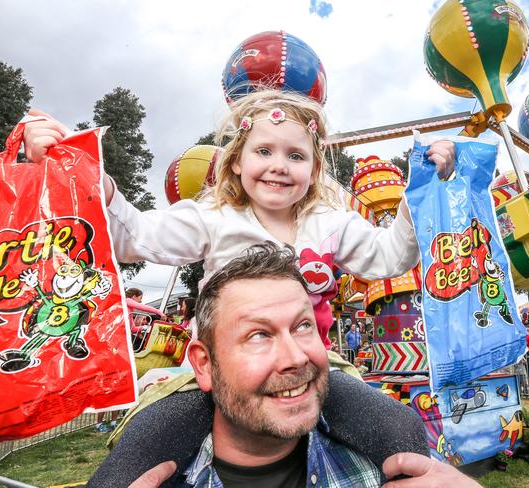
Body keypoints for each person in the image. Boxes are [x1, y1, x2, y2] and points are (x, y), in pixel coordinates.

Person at [25, 90, 454, 481]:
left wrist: (420, 194)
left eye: (295, 156)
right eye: (263, 151)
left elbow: (390, 258)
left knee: (393, 424)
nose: (278, 166)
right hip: (218, 375)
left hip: (307, 367)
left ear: (315, 167)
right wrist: (87, 173)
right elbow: (133, 237)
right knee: (145, 441)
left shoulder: (330, 222)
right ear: (236, 161)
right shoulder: (212, 216)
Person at [117, 244, 479, 487]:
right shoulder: (155, 474)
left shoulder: (386, 466)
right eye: (258, 335)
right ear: (204, 364)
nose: (295, 358)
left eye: (303, 326)